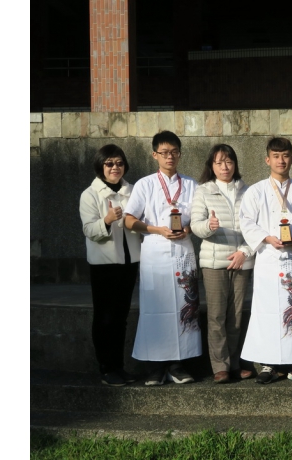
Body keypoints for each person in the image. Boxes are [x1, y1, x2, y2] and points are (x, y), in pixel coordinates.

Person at [239, 137, 292, 384]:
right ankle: (268, 365)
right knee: (267, 312)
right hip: (269, 261)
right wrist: (266, 237)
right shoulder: (256, 191)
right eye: (276, 156)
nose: (281, 160)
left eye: (285, 155)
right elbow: (246, 221)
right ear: (267, 160)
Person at [123, 130, 201, 386]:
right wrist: (157, 229)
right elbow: (129, 219)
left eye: (174, 152)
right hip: (156, 252)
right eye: (164, 152)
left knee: (184, 307)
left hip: (183, 252)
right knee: (155, 308)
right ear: (154, 154)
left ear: (180, 154)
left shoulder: (191, 184)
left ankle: (179, 364)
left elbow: (200, 218)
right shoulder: (145, 184)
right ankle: (155, 366)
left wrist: (188, 229)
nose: (170, 157)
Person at [190, 144, 256, 384]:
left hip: (241, 261)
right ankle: (220, 366)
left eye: (228, 162)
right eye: (219, 162)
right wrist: (209, 226)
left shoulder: (248, 191)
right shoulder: (204, 191)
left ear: (235, 164)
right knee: (217, 316)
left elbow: (254, 228)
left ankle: (236, 362)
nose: (224, 167)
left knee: (236, 316)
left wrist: (245, 252)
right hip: (214, 262)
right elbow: (195, 225)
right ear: (212, 166)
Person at [79, 144, 142, 386]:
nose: (115, 168)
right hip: (104, 264)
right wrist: (106, 220)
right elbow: (88, 230)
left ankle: (119, 367)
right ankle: (106, 367)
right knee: (105, 317)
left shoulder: (134, 190)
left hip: (129, 261)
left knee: (121, 317)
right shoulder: (90, 194)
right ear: (100, 167)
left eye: (119, 163)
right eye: (109, 164)